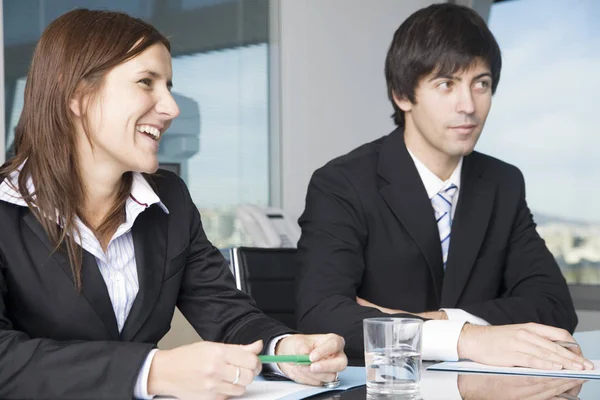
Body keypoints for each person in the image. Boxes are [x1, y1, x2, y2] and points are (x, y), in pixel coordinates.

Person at [0, 9, 346, 400]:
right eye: (146, 82)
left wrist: (285, 350)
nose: (171, 107)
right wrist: (152, 371)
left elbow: (226, 313)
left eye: (167, 85)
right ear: (76, 95)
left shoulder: (170, 200)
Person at [295, 2, 590, 371]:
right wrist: (468, 338)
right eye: (446, 84)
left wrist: (437, 321)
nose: (468, 105)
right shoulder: (342, 183)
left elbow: (555, 306)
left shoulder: (502, 183)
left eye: (480, 84)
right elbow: (320, 315)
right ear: (402, 95)